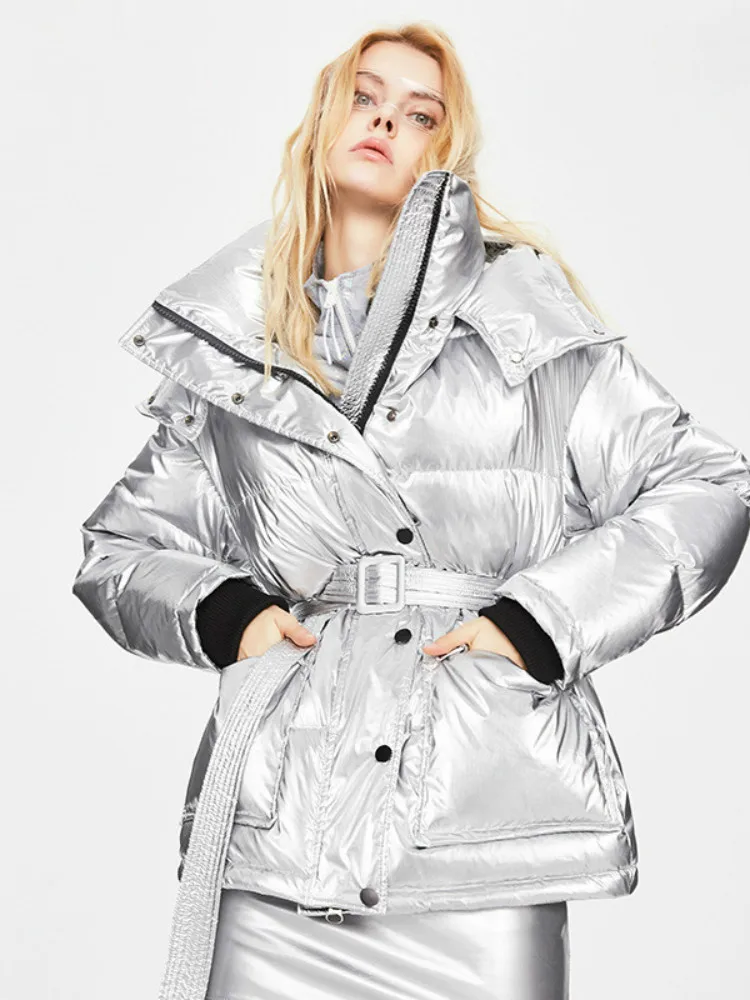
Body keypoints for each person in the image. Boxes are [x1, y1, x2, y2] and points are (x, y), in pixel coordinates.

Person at [71, 22, 750, 1000]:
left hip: (472, 830)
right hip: (283, 835)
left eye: (419, 112)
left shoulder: (521, 317)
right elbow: (119, 549)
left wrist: (539, 622)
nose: (386, 118)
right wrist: (228, 614)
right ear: (322, 119)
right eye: (365, 95)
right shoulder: (233, 345)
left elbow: (708, 483)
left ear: (446, 149)